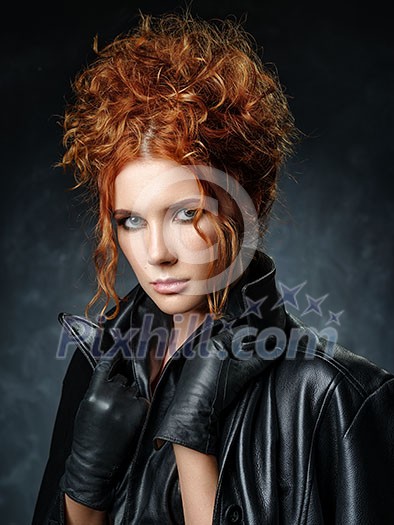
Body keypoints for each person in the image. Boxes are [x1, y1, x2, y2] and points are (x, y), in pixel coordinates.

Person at [32, 10, 394, 525]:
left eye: (186, 213)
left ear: (251, 203)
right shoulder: (97, 371)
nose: (156, 252)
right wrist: (85, 487)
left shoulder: (335, 397)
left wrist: (191, 442)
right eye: (131, 220)